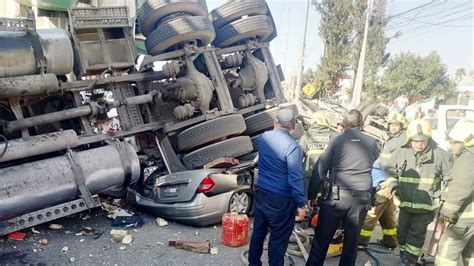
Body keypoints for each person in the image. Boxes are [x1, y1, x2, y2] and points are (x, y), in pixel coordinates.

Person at [306, 109, 379, 266]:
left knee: (321, 242)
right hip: (361, 199)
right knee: (351, 245)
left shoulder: (337, 141)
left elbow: (320, 169)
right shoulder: (373, 143)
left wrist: (312, 195)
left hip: (336, 198)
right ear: (362, 124)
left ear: (344, 123)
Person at [385, 119, 452, 265]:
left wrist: (444, 199)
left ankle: (410, 259)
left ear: (429, 138)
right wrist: (394, 186)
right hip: (404, 204)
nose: (419, 144)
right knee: (401, 234)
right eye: (416, 141)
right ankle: (404, 254)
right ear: (410, 139)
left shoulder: (440, 155)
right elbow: (390, 172)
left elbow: (450, 179)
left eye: (423, 140)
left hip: (425, 206)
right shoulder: (401, 152)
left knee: (416, 234)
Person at [248, 108, 306, 266]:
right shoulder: (293, 147)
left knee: (258, 232)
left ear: (274, 123)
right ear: (293, 126)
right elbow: (295, 177)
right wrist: (301, 204)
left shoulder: (263, 138)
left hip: (261, 194)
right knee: (278, 239)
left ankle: (253, 263)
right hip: (282, 200)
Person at [359, 112, 408, 249]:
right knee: (387, 213)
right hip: (386, 178)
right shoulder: (393, 139)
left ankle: (361, 240)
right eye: (391, 125)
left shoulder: (402, 140)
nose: (393, 128)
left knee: (372, 211)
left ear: (402, 126)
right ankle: (390, 240)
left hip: (387, 180)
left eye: (396, 125)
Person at [435, 119, 474, 266]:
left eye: (454, 142)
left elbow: (461, 189)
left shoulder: (467, 159)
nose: (451, 146)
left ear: (467, 141)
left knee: (446, 255)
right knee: (471, 255)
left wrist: (447, 213)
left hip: (464, 219)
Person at [299, 111, 337, 194]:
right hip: (326, 176)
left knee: (306, 202)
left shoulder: (306, 136)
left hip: (308, 176)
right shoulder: (333, 136)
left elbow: (298, 156)